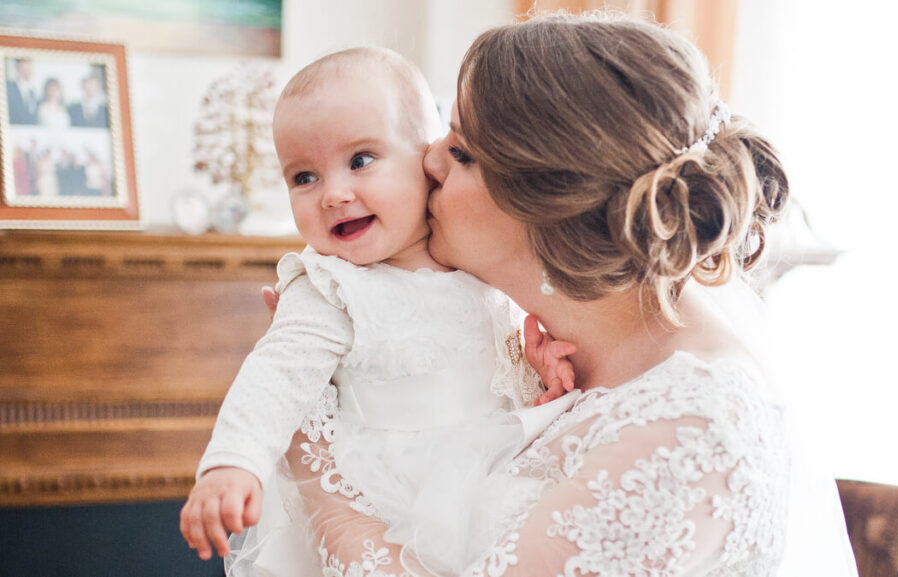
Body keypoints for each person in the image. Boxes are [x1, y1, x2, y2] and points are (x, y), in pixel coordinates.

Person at [275, 11, 859, 577]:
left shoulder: (693, 426)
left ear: (551, 203)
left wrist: (312, 451)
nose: (426, 160)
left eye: (460, 152)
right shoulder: (548, 349)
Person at [178, 47, 577, 575]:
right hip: (385, 501)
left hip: (494, 480)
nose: (333, 194)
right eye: (304, 177)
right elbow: (274, 376)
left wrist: (537, 372)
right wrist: (232, 464)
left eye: (360, 161)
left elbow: (499, 352)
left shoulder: (478, 257)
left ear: (428, 158)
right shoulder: (329, 283)